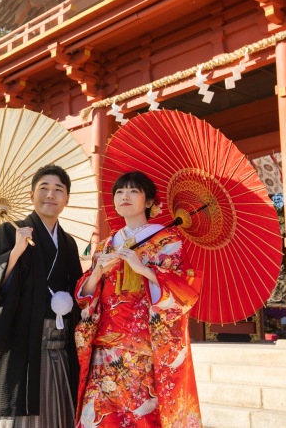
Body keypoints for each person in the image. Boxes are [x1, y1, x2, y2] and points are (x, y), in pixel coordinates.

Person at [74, 171, 202, 427]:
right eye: (119, 192)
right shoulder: (106, 244)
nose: (125, 196)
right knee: (100, 415)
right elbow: (85, 296)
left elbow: (183, 290)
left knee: (140, 415)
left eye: (133, 191)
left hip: (144, 346)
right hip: (105, 346)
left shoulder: (167, 240)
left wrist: (145, 270)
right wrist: (97, 272)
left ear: (149, 201)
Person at [0, 164, 83, 428]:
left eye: (58, 190)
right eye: (43, 188)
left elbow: (78, 291)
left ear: (66, 199)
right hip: (21, 346)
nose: (50, 195)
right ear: (32, 195)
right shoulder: (11, 232)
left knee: (59, 416)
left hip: (59, 348)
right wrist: (14, 254)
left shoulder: (68, 243)